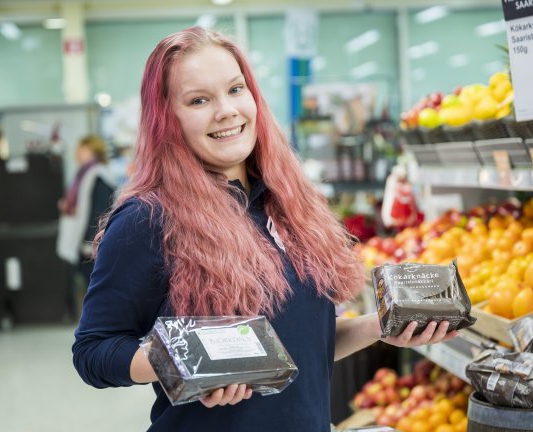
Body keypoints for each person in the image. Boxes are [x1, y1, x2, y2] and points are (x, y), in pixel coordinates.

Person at [72, 27, 457, 432]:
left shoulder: (288, 203)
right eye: (199, 99)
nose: (226, 110)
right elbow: (93, 352)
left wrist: (380, 326)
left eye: (235, 90)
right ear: (166, 117)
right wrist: (186, 362)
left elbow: (301, 347)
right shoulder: (147, 219)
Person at [56, 135, 116, 318]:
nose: (76, 153)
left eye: (81, 149)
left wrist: (90, 244)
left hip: (90, 246)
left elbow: (100, 212)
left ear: (91, 150)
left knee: (94, 287)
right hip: (85, 243)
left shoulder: (98, 175)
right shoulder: (85, 174)